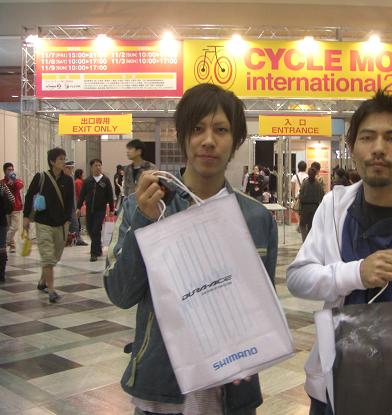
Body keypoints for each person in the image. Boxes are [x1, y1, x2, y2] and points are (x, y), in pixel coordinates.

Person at [104, 83, 277, 415]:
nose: (208, 140)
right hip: (161, 391)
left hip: (232, 393)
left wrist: (253, 349)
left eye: (221, 130)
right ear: (183, 136)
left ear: (236, 140)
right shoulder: (144, 205)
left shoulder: (255, 218)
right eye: (197, 129)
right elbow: (120, 294)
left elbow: (260, 307)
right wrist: (144, 221)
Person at [286, 90, 392, 414]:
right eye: (367, 137)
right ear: (352, 148)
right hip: (333, 384)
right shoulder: (333, 208)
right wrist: (356, 273)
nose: (378, 148)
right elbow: (297, 279)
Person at [23, 147, 74, 303]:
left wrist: (68, 220)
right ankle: (51, 290)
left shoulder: (68, 181)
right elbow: (29, 196)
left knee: (55, 256)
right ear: (52, 161)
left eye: (64, 159)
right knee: (47, 256)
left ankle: (42, 281)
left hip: (61, 224)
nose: (63, 162)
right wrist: (26, 217)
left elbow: (70, 202)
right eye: (60, 159)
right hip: (43, 222)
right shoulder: (41, 177)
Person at [77, 159, 114, 262]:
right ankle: (98, 248)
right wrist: (78, 207)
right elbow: (82, 195)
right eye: (96, 165)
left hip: (100, 210)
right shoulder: (87, 181)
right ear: (91, 167)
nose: (98, 167)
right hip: (89, 210)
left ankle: (93, 253)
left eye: (99, 165)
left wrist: (112, 209)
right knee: (90, 230)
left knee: (96, 229)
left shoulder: (105, 180)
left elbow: (110, 195)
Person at [1, 162, 24, 253]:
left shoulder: (17, 180)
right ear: (4, 171)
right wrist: (6, 185)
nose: (11, 171)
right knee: (9, 227)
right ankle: (12, 245)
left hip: (15, 207)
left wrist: (13, 182)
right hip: (6, 208)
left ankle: (3, 242)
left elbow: (20, 186)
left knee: (14, 227)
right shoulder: (2, 182)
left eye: (12, 169)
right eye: (9, 170)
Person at [298, 167, 325, 241]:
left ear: (308, 174)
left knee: (302, 225)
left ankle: (304, 240)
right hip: (315, 207)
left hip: (305, 207)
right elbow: (322, 195)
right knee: (311, 225)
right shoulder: (318, 184)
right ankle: (309, 241)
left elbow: (301, 195)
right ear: (315, 174)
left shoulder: (305, 183)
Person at [0, 181, 14, 282]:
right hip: (1, 220)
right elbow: (12, 200)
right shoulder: (2, 185)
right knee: (2, 247)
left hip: (1, 221)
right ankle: (1, 274)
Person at [72, 168, 87, 245]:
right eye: (83, 174)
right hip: (78, 203)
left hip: (77, 203)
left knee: (77, 220)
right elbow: (81, 193)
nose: (84, 175)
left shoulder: (76, 181)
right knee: (77, 221)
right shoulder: (79, 182)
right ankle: (78, 238)